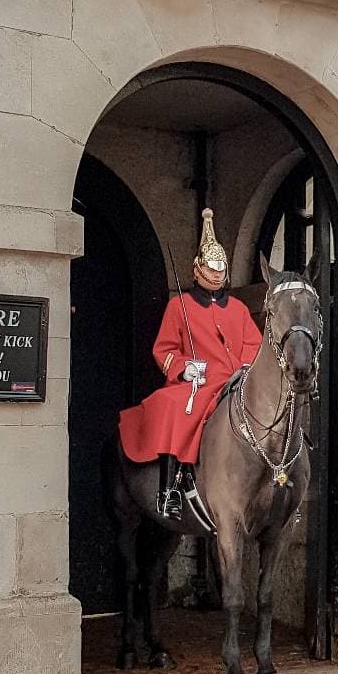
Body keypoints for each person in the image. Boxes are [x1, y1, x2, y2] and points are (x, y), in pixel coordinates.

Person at [119, 208, 262, 518]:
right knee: (173, 405)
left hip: (235, 380)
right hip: (197, 383)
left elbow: (254, 343)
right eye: (211, 269)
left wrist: (245, 366)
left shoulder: (237, 309)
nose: (217, 275)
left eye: (220, 269)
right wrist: (184, 366)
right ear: (198, 270)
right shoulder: (179, 306)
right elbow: (164, 349)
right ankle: (169, 487)